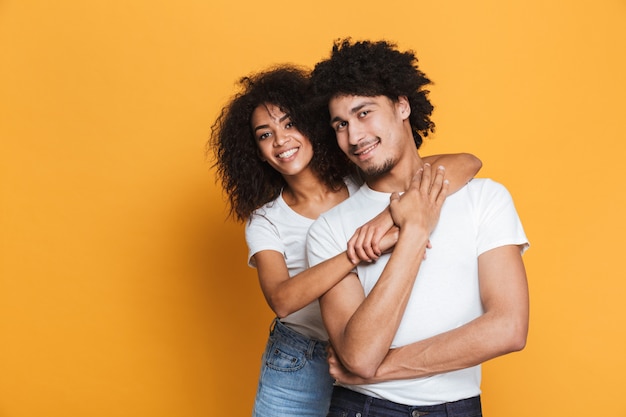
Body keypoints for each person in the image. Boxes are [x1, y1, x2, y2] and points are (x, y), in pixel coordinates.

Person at [209, 65, 482, 417]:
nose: (280, 141)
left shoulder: (360, 177)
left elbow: (465, 163)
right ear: (256, 152)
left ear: (313, 127)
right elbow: (282, 299)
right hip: (301, 355)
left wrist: (383, 218)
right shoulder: (266, 220)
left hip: (373, 343)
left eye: (290, 124)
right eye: (265, 135)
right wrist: (361, 250)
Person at [306, 39, 530, 417]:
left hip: (457, 409)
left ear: (402, 104)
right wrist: (411, 231)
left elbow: (508, 327)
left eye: (364, 113)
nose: (354, 136)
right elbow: (358, 355)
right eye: (341, 124)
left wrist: (383, 368)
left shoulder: (484, 198)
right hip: (365, 409)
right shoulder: (330, 230)